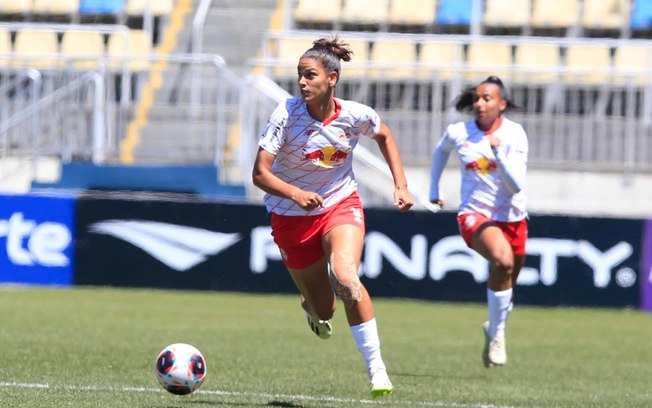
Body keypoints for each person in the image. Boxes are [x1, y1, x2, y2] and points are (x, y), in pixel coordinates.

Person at [252, 35, 414, 396]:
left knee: (346, 277)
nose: (302, 82)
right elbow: (260, 174)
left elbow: (384, 136)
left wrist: (401, 185)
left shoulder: (356, 115)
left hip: (340, 204)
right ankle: (312, 307)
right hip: (290, 217)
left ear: (332, 79)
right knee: (324, 309)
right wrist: (295, 193)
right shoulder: (286, 114)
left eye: (310, 75)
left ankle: (377, 370)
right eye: (300, 75)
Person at [429, 76, 528, 368]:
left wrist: (498, 152)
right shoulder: (459, 132)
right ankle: (498, 335)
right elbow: (440, 151)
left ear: (502, 104)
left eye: (487, 98)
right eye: (477, 98)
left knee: (508, 279)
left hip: (513, 217)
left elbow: (515, 186)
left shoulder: (514, 134)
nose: (480, 104)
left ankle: (495, 327)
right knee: (503, 261)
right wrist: (435, 188)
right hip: (475, 213)